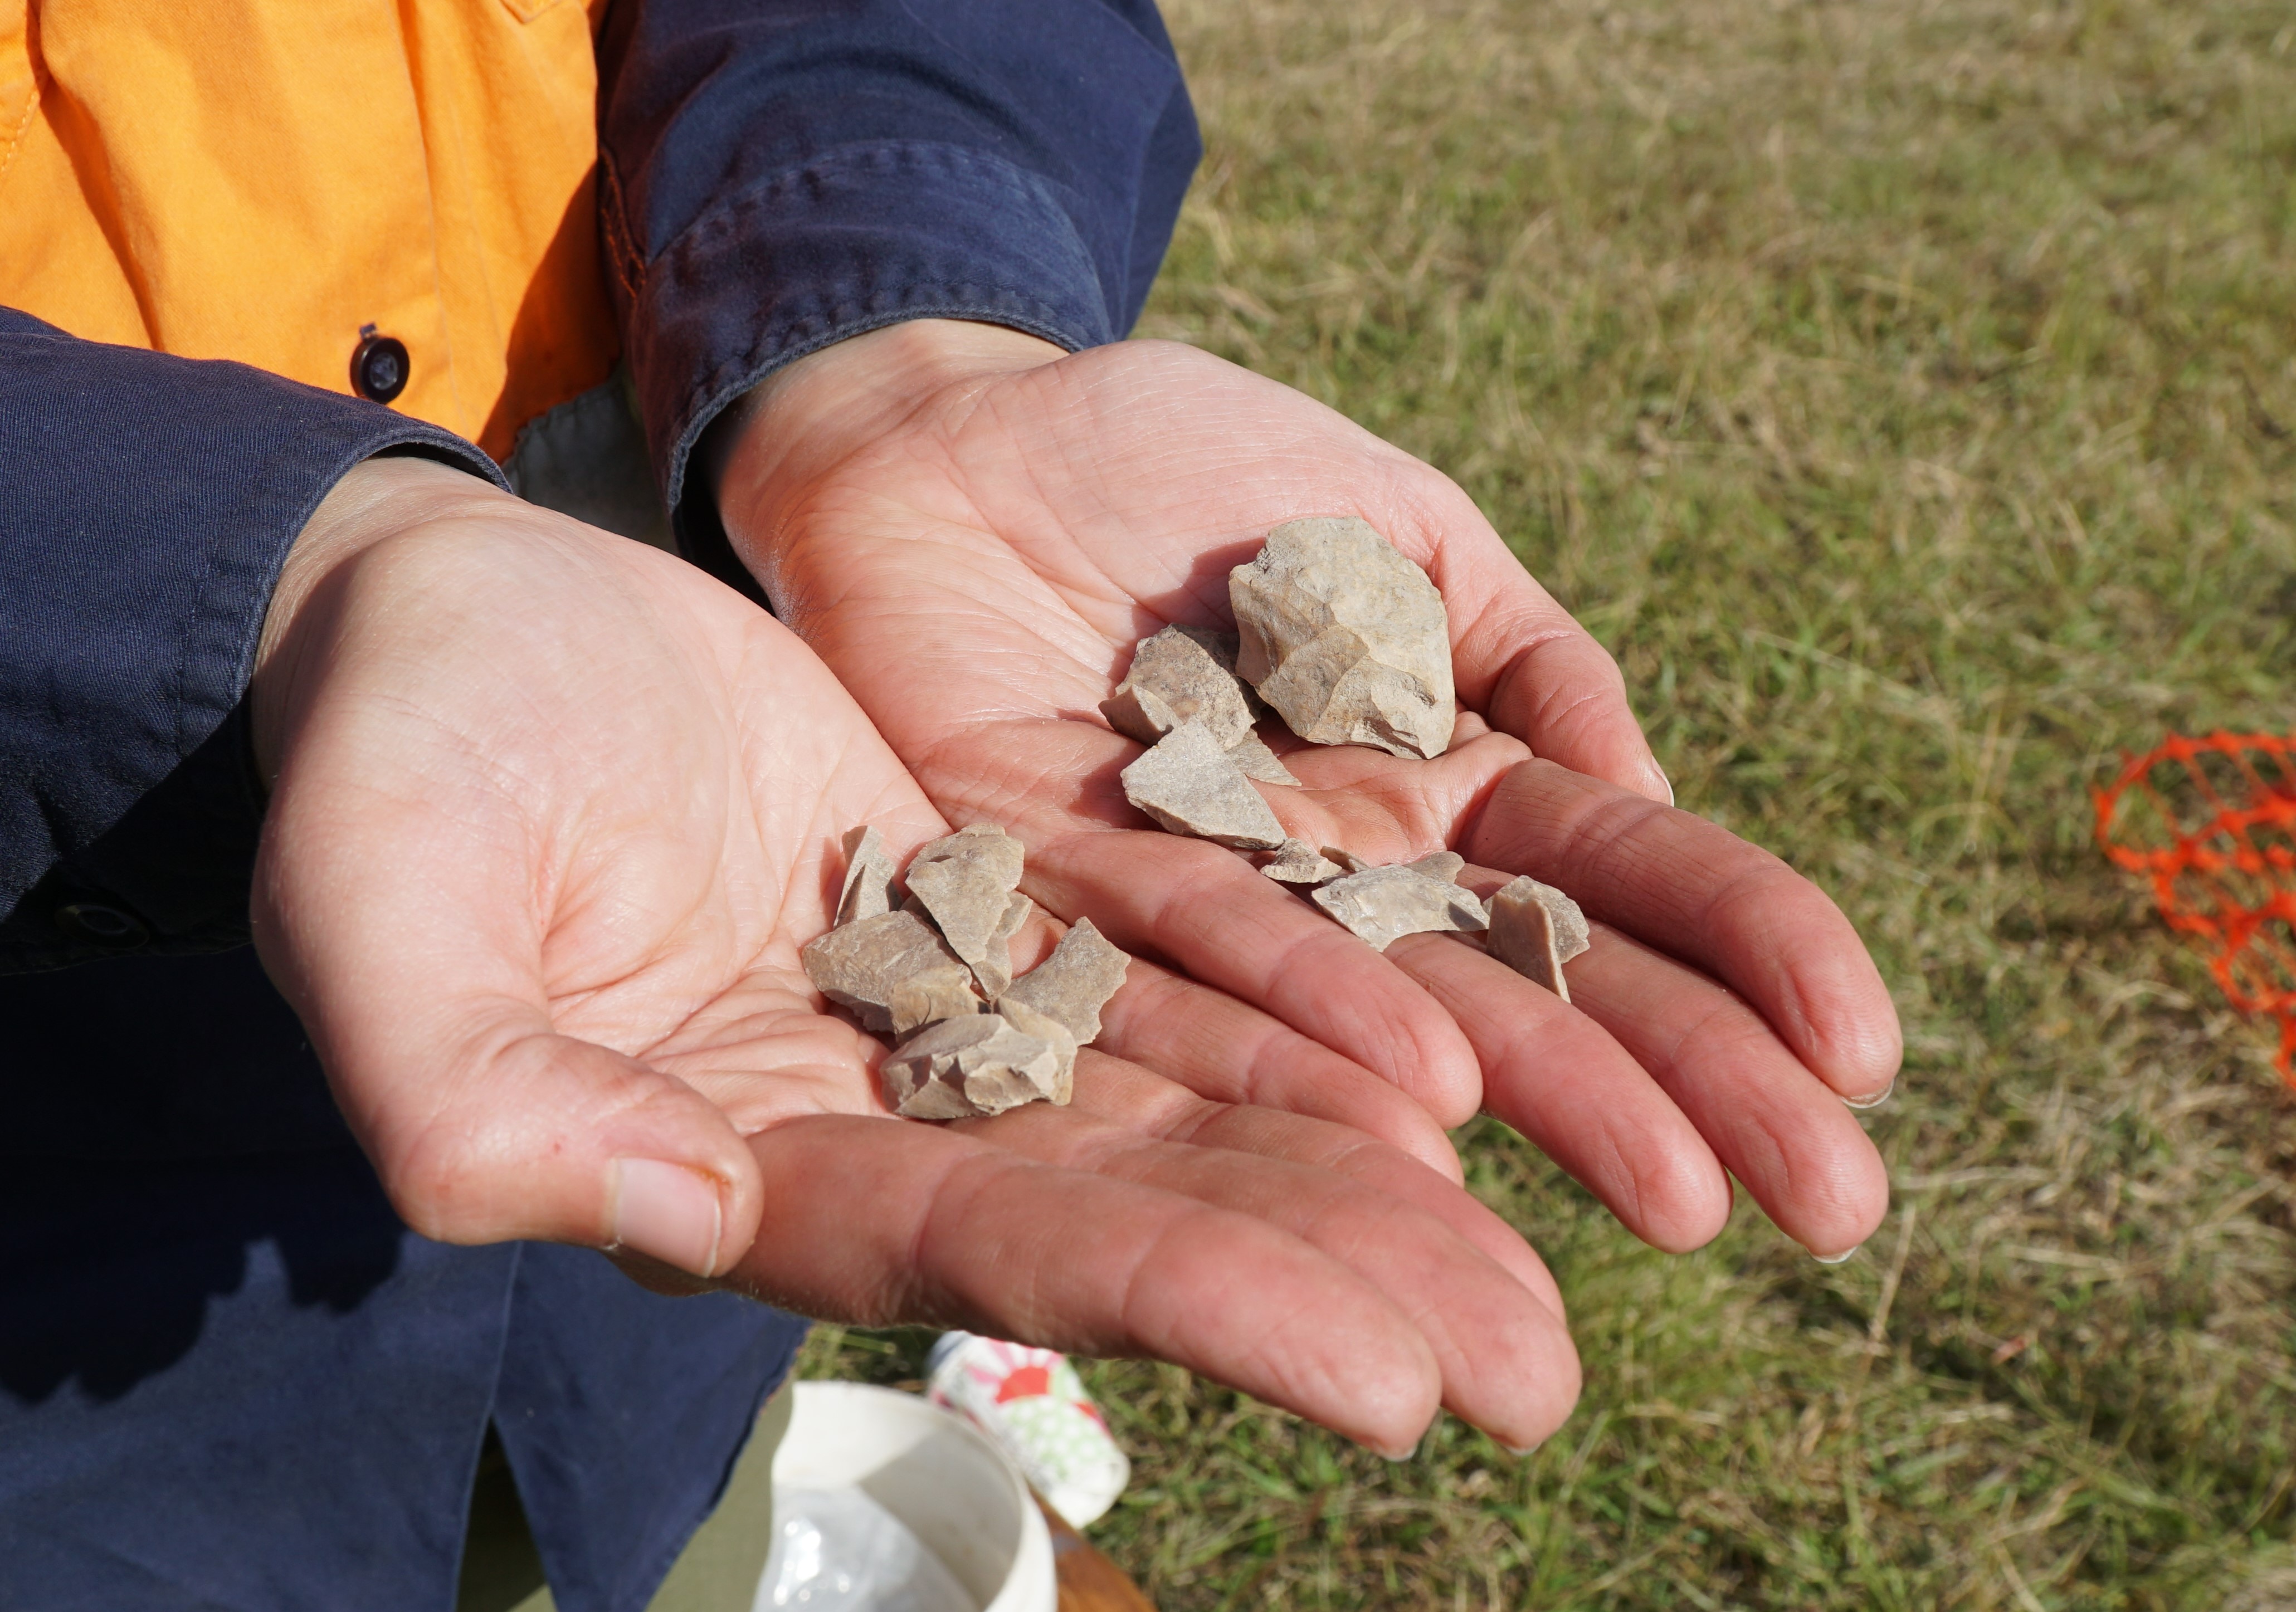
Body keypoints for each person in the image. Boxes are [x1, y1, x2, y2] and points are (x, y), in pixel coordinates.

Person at [0, 2, 1899, 1606]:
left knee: (666, 1534)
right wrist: (252, 567)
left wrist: (896, 334)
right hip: (69, 1275)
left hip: (691, 1145)